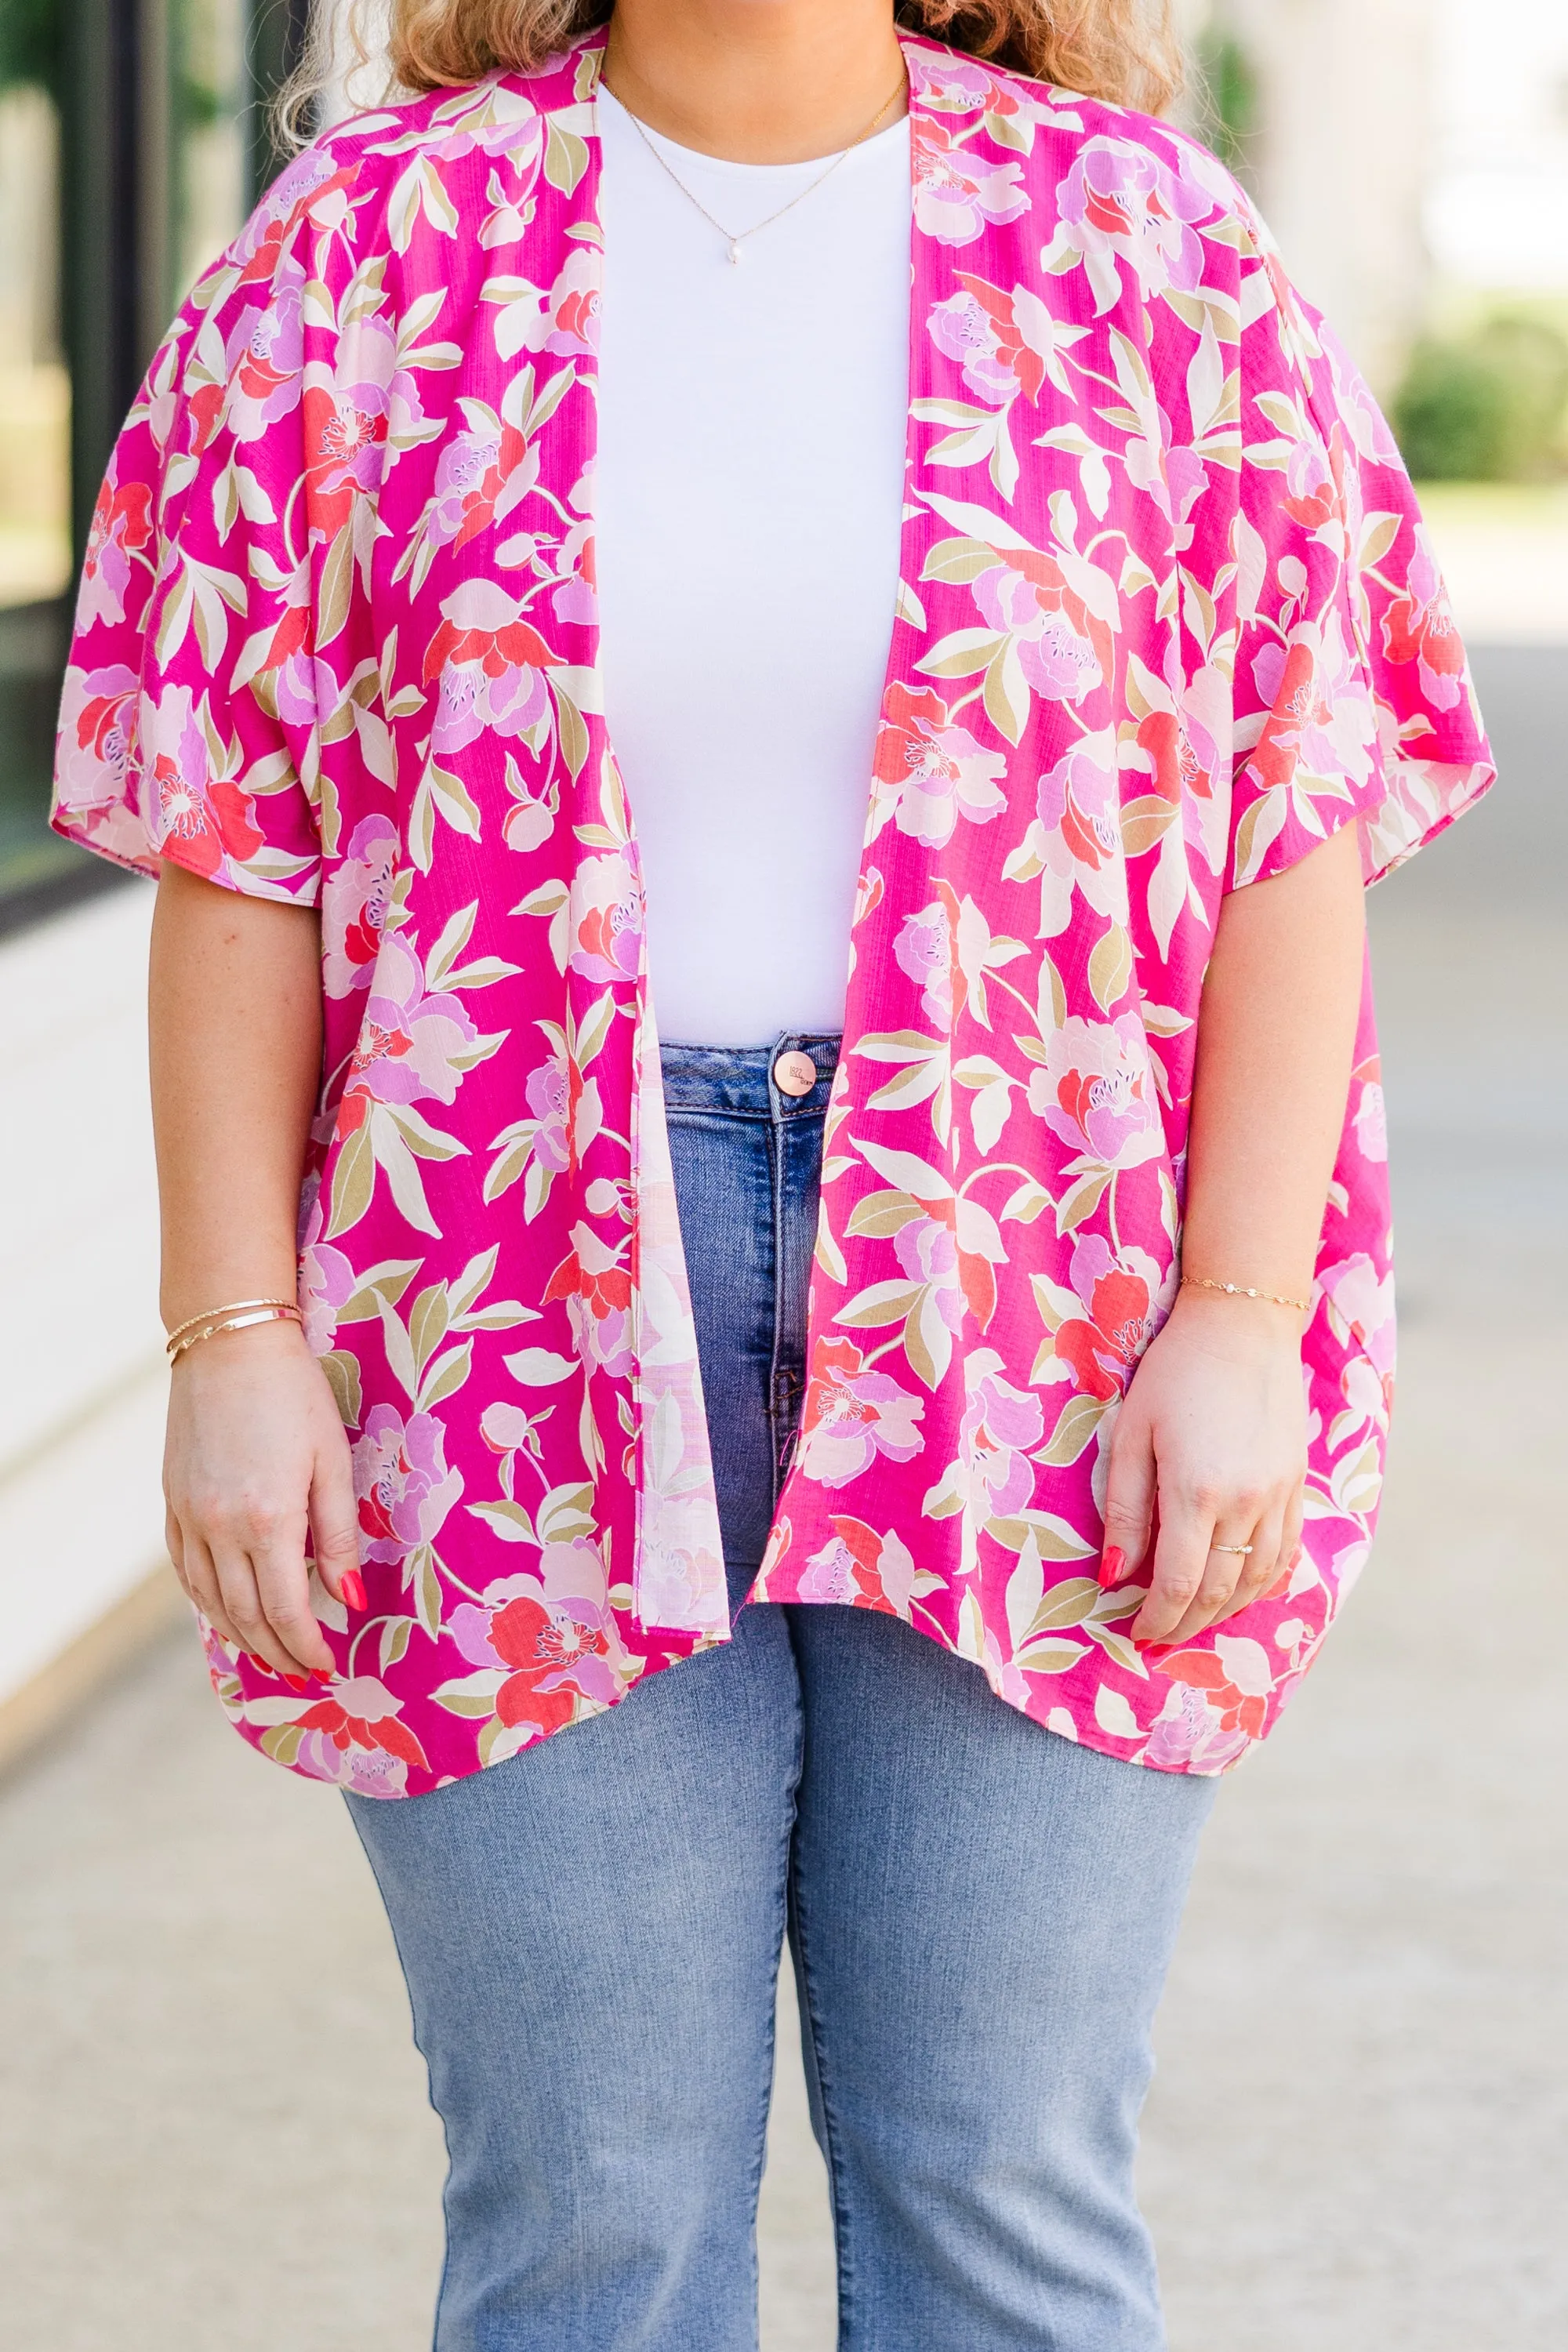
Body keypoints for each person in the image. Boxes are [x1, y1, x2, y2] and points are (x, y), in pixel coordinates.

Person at [53, 0, 1495, 2343]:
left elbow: (1292, 818)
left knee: (1001, 2194)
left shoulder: (1148, 247)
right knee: (589, 2223)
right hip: (491, 1317)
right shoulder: (357, 253)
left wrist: (1241, 1316)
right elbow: (236, 851)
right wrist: (236, 1340)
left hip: (1048, 1305)